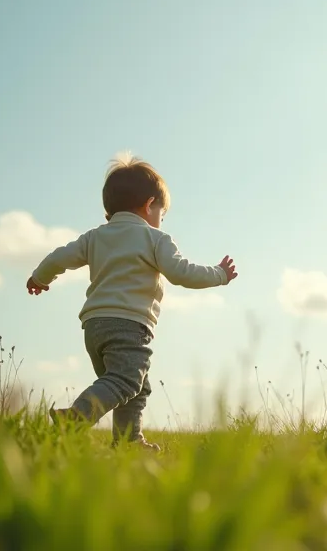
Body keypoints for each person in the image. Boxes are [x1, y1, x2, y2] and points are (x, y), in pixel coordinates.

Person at [26, 153, 236, 450]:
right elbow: (181, 273)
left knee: (132, 387)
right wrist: (219, 274)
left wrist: (40, 278)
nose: (161, 221)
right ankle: (75, 417)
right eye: (162, 214)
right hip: (129, 326)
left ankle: (128, 442)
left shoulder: (94, 237)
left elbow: (59, 256)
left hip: (94, 328)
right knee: (125, 382)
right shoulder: (155, 239)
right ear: (150, 205)